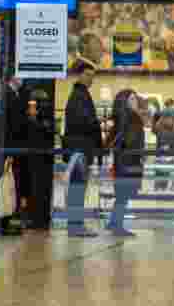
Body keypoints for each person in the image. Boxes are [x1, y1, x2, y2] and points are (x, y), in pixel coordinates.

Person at [62, 60, 102, 237]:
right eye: (87, 75)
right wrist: (96, 124)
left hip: (80, 148)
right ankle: (75, 225)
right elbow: (83, 121)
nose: (90, 79)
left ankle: (76, 224)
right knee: (78, 188)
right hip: (80, 149)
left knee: (78, 187)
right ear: (79, 75)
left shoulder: (81, 93)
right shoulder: (79, 95)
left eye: (92, 76)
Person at [107, 88, 145, 237]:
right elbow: (130, 141)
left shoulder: (121, 117)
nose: (136, 102)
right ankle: (117, 226)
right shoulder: (131, 118)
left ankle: (113, 222)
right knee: (123, 195)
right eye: (132, 99)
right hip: (129, 162)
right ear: (125, 102)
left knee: (121, 196)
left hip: (122, 161)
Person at [0, 75, 29, 235]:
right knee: (7, 186)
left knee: (11, 186)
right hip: (9, 148)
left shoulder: (14, 94)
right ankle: (5, 222)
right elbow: (6, 125)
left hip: (13, 148)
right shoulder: (6, 95)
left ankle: (10, 221)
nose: (22, 79)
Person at [25, 89, 55, 230]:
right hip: (41, 156)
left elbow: (40, 130)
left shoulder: (38, 117)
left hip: (38, 156)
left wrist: (32, 119)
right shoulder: (45, 116)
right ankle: (40, 218)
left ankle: (38, 219)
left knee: (38, 188)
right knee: (40, 189)